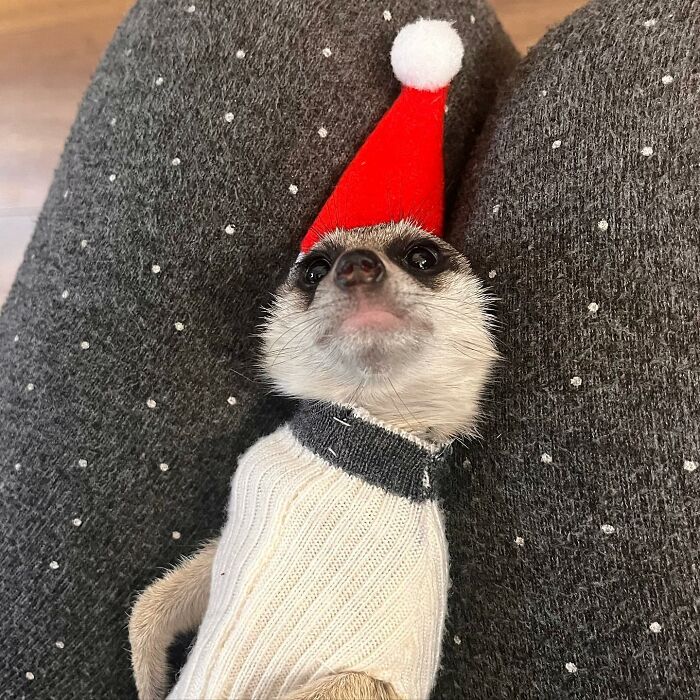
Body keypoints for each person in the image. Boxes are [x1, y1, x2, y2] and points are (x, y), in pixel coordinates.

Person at [1, 0, 697, 697]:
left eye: (420, 261)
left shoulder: (398, 519)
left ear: (484, 320)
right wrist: (157, 621)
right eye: (316, 273)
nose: (356, 272)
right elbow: (253, 551)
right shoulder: (283, 460)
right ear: (275, 330)